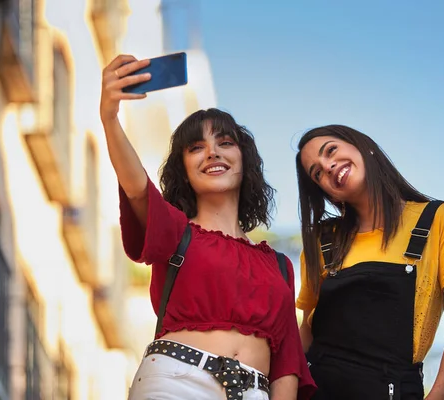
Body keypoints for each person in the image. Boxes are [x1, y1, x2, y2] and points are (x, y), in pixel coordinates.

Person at [100, 54, 316, 400]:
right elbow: (137, 187)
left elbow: (287, 363)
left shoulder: (279, 265)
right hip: (176, 382)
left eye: (224, 143)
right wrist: (110, 118)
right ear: (184, 170)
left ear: (244, 161)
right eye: (196, 148)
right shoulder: (176, 231)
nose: (212, 153)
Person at [294, 125, 444, 399]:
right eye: (317, 173)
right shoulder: (321, 240)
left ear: (364, 146)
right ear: (328, 193)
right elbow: (305, 330)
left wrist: (437, 397)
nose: (328, 167)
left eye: (331, 151)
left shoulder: (438, 221)